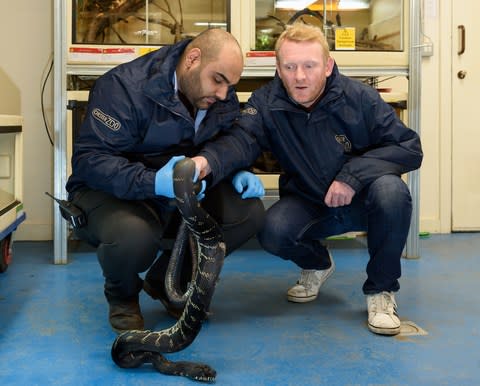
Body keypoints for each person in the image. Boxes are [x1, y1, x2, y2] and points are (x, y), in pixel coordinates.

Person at [194, 23, 423, 336]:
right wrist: (213, 163)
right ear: (278, 67)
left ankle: (381, 291)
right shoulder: (266, 103)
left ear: (327, 66)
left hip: (364, 202)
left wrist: (352, 177)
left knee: (392, 192)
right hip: (310, 202)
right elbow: (241, 139)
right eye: (289, 67)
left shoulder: (360, 99)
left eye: (309, 66)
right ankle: (317, 264)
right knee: (273, 231)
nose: (299, 77)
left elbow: (409, 147)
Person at [66, 28, 265, 333]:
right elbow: (91, 161)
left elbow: (240, 138)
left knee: (247, 213)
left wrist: (216, 163)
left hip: (178, 188)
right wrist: (153, 182)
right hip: (113, 192)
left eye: (230, 85)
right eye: (219, 80)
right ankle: (122, 297)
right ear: (193, 59)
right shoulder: (122, 87)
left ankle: (167, 280)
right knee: (132, 236)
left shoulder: (217, 94)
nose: (225, 94)